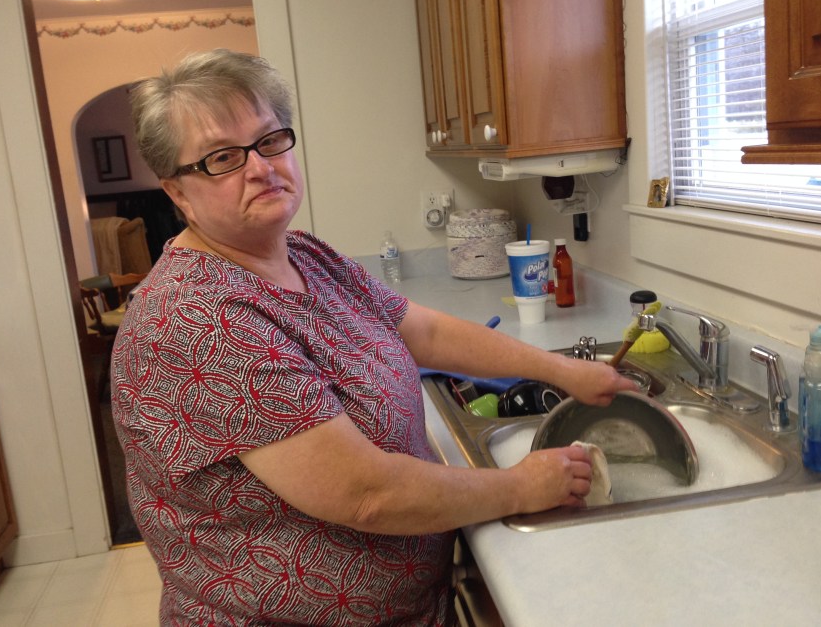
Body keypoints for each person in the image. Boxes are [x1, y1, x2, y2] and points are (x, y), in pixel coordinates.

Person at [111, 49, 638, 626]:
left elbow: (422, 329)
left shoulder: (304, 255)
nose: (260, 168)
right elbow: (364, 493)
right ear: (177, 192)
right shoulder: (197, 316)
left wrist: (563, 370)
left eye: (269, 140)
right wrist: (519, 488)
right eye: (222, 158)